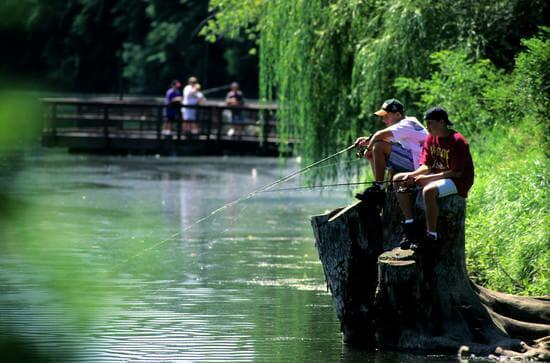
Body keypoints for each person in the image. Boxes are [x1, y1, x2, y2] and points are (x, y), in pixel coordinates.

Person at [393, 107, 474, 250]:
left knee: (428, 191)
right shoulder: (431, 138)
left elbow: (456, 173)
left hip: (458, 181)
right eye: (427, 123)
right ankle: (410, 224)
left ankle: (431, 235)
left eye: (431, 123)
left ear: (442, 122)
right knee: (398, 179)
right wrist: (413, 175)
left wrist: (428, 179)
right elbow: (426, 165)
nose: (427, 127)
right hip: (440, 175)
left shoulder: (458, 141)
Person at [354, 98, 427, 203]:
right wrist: (367, 141)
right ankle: (381, 187)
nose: (383, 120)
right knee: (371, 153)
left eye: (386, 116)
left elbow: (379, 135)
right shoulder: (409, 122)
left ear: (398, 115)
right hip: (415, 161)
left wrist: (368, 147)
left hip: (419, 166)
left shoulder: (405, 124)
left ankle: (378, 187)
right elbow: (384, 138)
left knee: (378, 146)